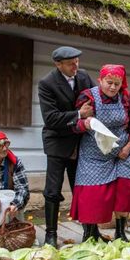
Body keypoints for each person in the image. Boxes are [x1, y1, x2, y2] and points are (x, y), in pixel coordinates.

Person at [71, 64, 130, 242]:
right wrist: (84, 123)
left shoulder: (125, 96)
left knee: (123, 192)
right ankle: (90, 233)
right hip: (96, 154)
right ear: (100, 80)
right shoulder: (88, 97)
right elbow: (75, 125)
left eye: (117, 84)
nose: (113, 87)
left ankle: (120, 232)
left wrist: (128, 146)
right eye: (109, 82)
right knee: (93, 195)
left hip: (124, 153)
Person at [38, 46, 96, 247]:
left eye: (77, 61)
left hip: (80, 142)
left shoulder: (84, 76)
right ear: (58, 64)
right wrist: (80, 114)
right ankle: (51, 235)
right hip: (57, 141)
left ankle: (90, 232)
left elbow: (95, 100)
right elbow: (51, 118)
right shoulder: (47, 83)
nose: (76, 66)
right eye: (71, 63)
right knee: (52, 190)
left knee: (81, 188)